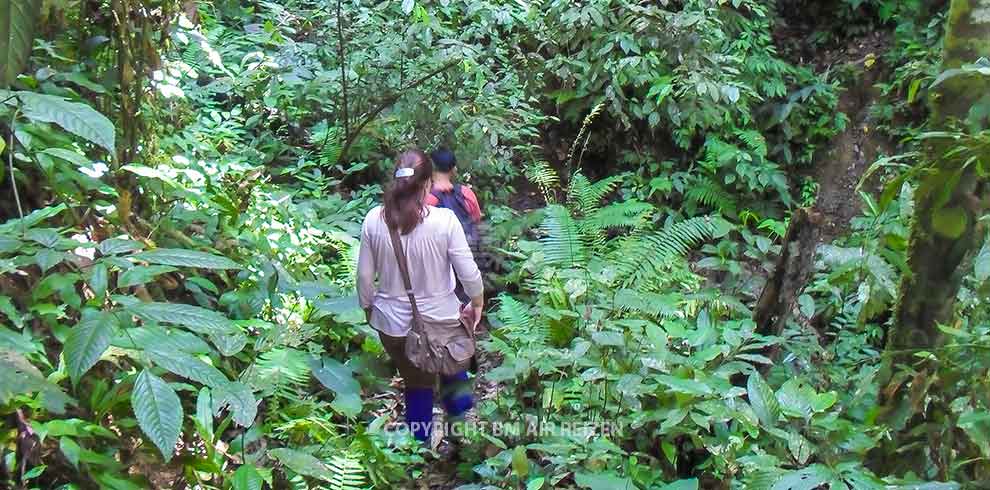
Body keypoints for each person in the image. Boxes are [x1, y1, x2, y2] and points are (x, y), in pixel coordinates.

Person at [357, 149, 485, 445]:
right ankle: (459, 438)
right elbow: (468, 271)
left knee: (415, 383)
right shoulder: (445, 221)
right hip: (443, 319)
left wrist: (369, 309)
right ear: (427, 183)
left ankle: (420, 446)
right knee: (454, 370)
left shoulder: (374, 220)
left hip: (393, 324)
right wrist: (477, 302)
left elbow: (365, 278)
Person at [425, 148, 485, 302]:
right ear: (454, 169)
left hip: (439, 262)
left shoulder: (426, 200)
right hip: (468, 253)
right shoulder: (466, 193)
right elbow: (476, 219)